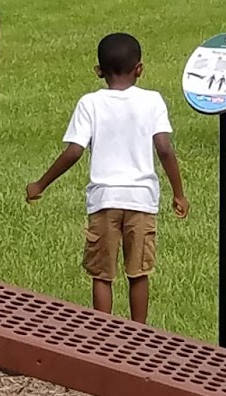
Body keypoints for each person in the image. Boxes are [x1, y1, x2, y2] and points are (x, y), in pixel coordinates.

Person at [26, 32, 189, 324]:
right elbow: (164, 149)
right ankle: (140, 333)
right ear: (140, 69)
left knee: (102, 274)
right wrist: (178, 193)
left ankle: (103, 334)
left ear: (98, 71)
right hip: (141, 201)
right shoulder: (152, 101)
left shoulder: (90, 103)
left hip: (104, 200)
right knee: (139, 273)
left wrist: (40, 184)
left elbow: (74, 152)